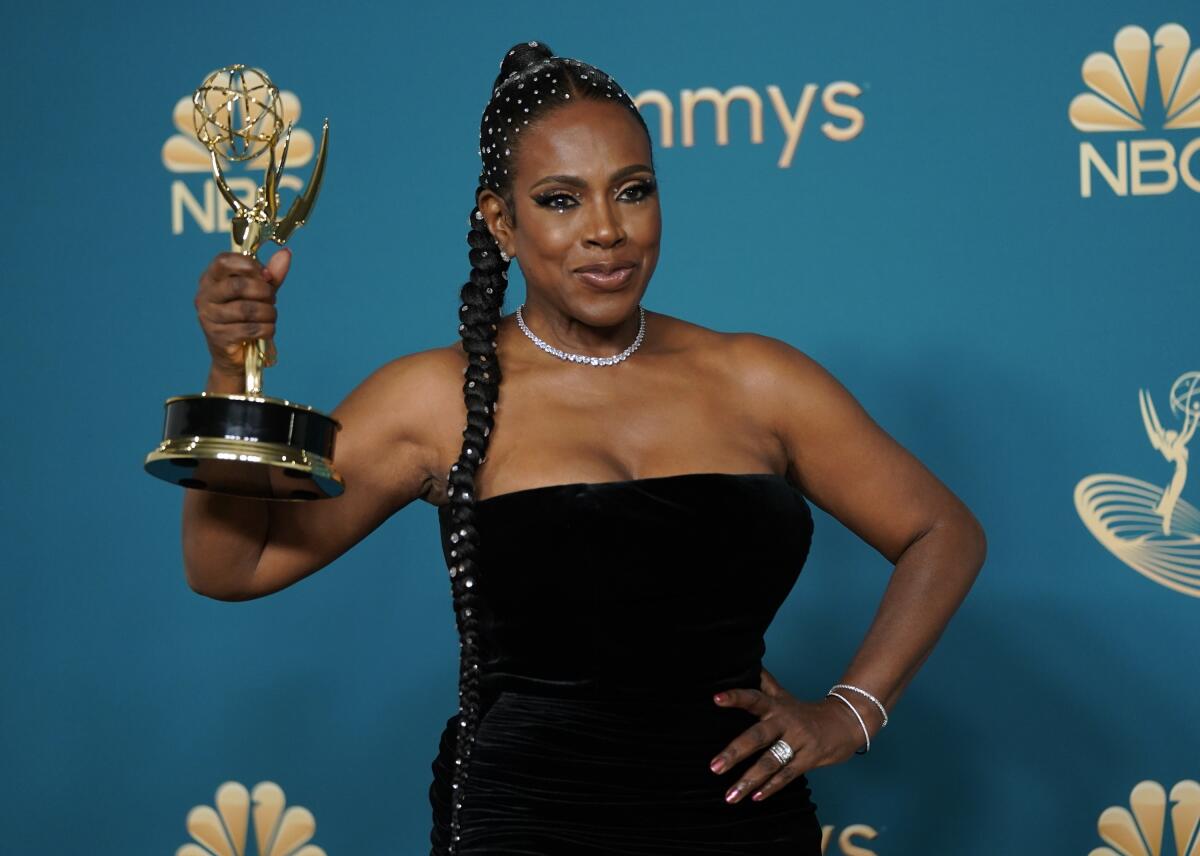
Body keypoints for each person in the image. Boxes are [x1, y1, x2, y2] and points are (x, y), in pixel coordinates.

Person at [182, 40, 987, 856]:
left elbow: (941, 532)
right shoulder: (433, 397)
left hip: (741, 824)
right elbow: (231, 567)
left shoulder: (759, 379)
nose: (606, 231)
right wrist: (225, 368)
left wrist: (851, 710)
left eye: (632, 192)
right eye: (561, 200)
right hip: (527, 825)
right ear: (503, 222)